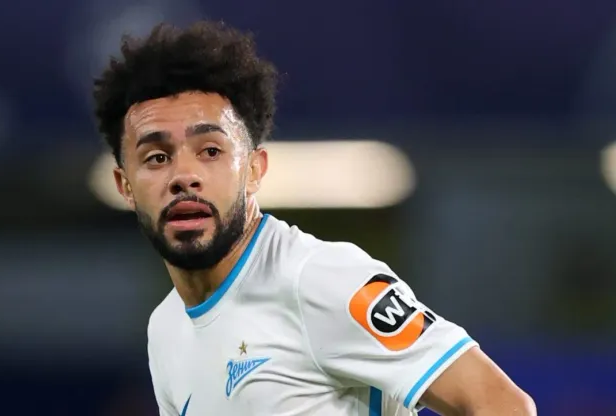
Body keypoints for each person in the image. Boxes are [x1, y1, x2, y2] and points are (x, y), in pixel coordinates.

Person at [93, 21, 536, 416]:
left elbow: (501, 405)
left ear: (253, 170)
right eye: (156, 157)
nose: (184, 176)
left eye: (211, 151)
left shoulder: (323, 279)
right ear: (124, 185)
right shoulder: (165, 330)